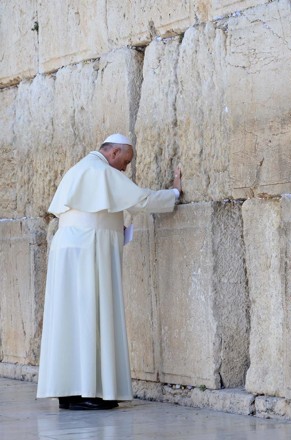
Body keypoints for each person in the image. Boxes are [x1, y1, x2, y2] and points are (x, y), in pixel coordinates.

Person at [36, 133, 182, 410]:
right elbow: (139, 201)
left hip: (68, 248)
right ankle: (89, 392)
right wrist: (173, 193)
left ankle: (69, 394)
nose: (125, 169)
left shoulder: (78, 169)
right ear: (114, 152)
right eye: (125, 162)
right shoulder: (100, 170)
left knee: (69, 319)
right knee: (91, 316)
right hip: (88, 249)